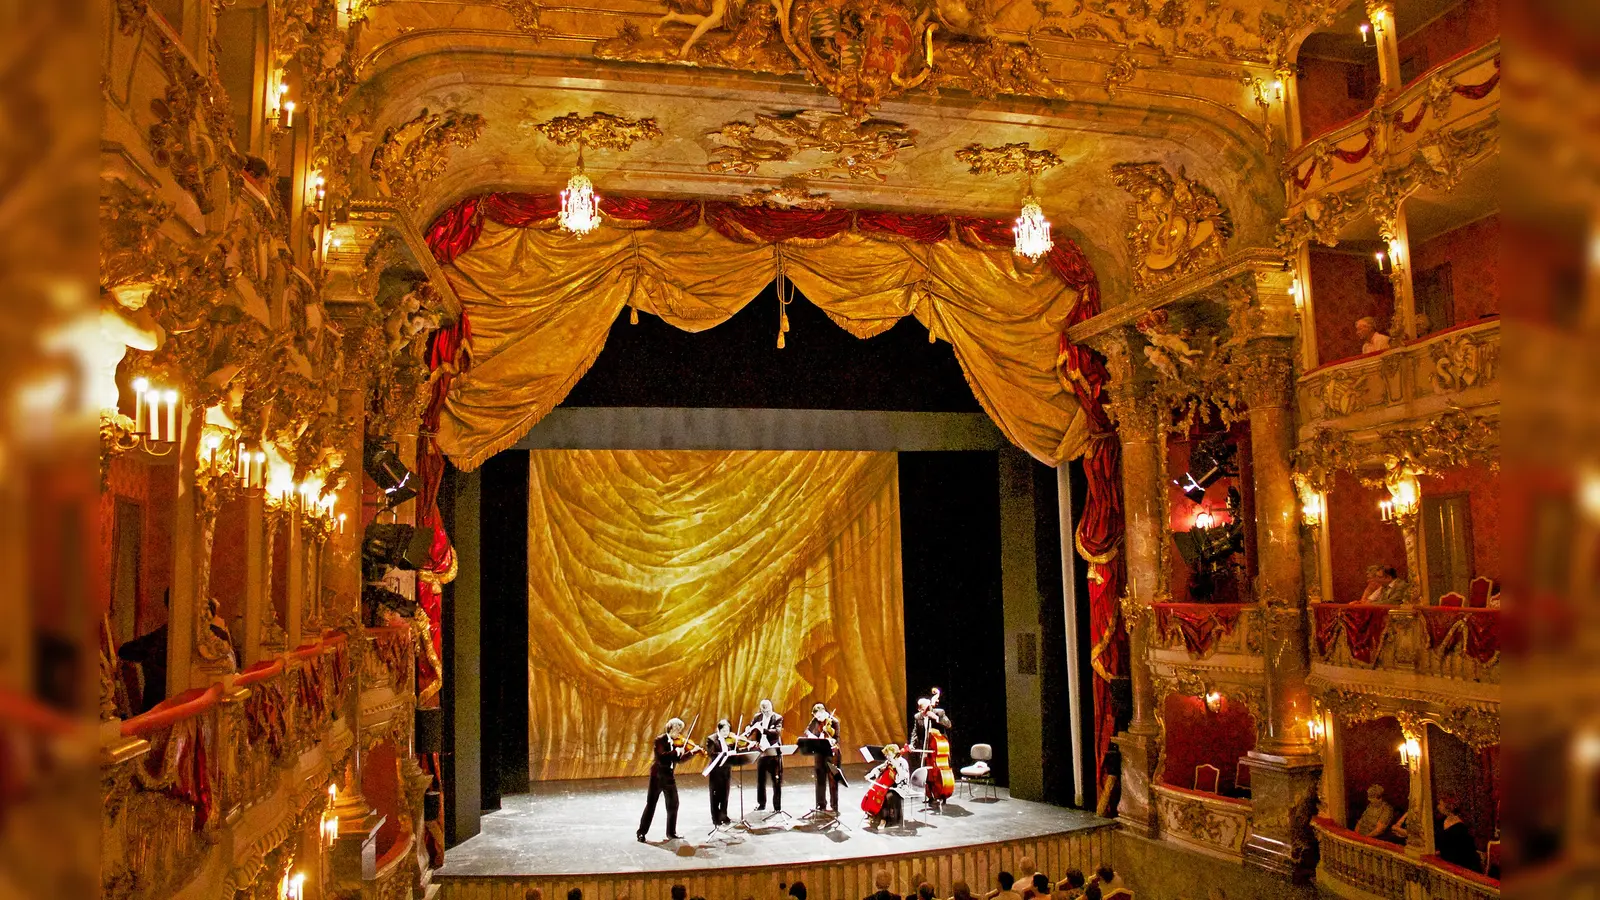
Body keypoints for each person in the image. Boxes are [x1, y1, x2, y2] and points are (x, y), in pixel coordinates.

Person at [637, 717, 699, 842]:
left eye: (680, 731)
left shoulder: (677, 743)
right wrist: (676, 751)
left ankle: (671, 832)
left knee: (673, 804)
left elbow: (679, 760)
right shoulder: (660, 740)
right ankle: (641, 832)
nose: (679, 733)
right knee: (651, 805)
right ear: (671, 729)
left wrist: (692, 752)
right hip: (657, 777)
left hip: (669, 777)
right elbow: (661, 758)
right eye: (677, 730)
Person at [116, 589, 171, 714]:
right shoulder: (160, 638)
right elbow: (124, 650)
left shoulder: (160, 636)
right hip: (159, 712)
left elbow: (125, 650)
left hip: (155, 710)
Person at [747, 698, 784, 812]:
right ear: (761, 710)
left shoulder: (777, 718)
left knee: (776, 780)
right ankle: (761, 804)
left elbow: (776, 732)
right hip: (762, 752)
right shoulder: (757, 717)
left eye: (768, 711)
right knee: (761, 780)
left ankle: (777, 807)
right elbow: (751, 726)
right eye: (764, 711)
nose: (766, 713)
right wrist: (749, 729)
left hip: (773, 752)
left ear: (771, 708)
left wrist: (763, 729)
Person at [804, 703, 842, 812]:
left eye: (819, 717)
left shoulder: (834, 722)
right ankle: (821, 804)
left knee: (833, 781)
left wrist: (831, 739)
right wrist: (811, 736)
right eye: (816, 717)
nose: (818, 719)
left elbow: (837, 739)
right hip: (820, 753)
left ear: (823, 712)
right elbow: (807, 730)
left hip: (832, 754)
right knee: (819, 779)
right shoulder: (815, 720)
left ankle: (834, 806)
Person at [863, 743, 910, 829]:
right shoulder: (889, 761)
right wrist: (870, 775)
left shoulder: (903, 763)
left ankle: (884, 820)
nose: (887, 757)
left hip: (900, 788)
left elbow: (901, 778)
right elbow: (879, 768)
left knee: (886, 796)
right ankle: (873, 815)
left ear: (894, 753)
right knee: (876, 792)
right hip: (889, 786)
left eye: (888, 755)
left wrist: (896, 765)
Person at [1435, 797, 1482, 871]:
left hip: (1460, 863)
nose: (1438, 807)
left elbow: (1460, 851)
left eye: (1440, 804)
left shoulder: (1460, 826)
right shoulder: (1442, 820)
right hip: (1445, 860)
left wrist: (1441, 852)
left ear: (1448, 806)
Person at [705, 719, 736, 826]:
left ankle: (723, 814)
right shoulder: (712, 739)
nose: (726, 733)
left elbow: (734, 749)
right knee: (715, 795)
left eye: (727, 731)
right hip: (716, 771)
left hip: (726, 770)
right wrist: (724, 754)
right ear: (719, 730)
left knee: (725, 794)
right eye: (724, 731)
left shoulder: (729, 739)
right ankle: (715, 817)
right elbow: (711, 753)